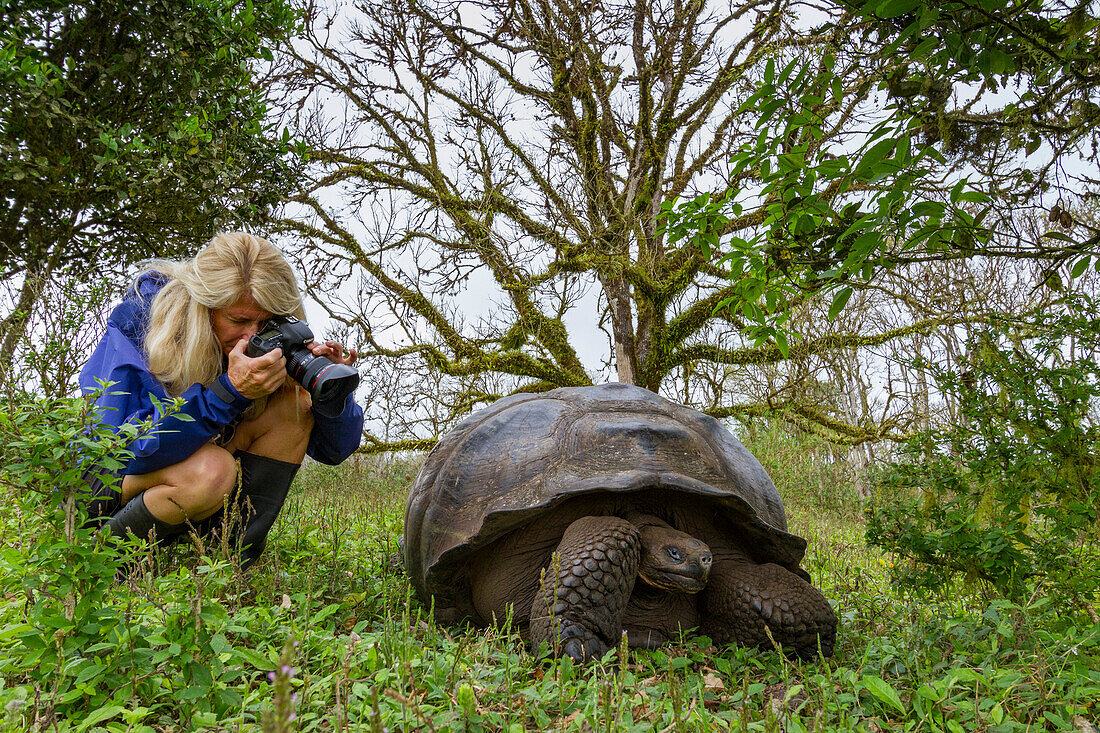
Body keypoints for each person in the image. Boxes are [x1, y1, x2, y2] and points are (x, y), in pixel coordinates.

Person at [79, 232, 364, 568]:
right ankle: (101, 563)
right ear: (206, 308)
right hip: (107, 480)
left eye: (265, 322)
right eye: (238, 320)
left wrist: (330, 399)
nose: (251, 336)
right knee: (211, 471)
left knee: (293, 403)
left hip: (194, 481)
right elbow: (128, 450)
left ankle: (229, 567)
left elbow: (334, 451)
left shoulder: (267, 333)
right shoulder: (142, 318)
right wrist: (229, 392)